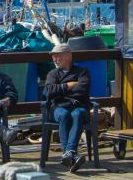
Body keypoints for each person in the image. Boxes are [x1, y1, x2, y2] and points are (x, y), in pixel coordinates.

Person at [45, 43, 90, 173]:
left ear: (68, 56)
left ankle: (67, 154)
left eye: (58, 56)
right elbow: (48, 91)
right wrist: (68, 86)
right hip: (59, 108)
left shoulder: (82, 72)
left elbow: (83, 90)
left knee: (77, 114)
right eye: (53, 56)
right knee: (64, 115)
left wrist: (59, 90)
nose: (55, 59)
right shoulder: (52, 74)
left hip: (79, 107)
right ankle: (70, 154)